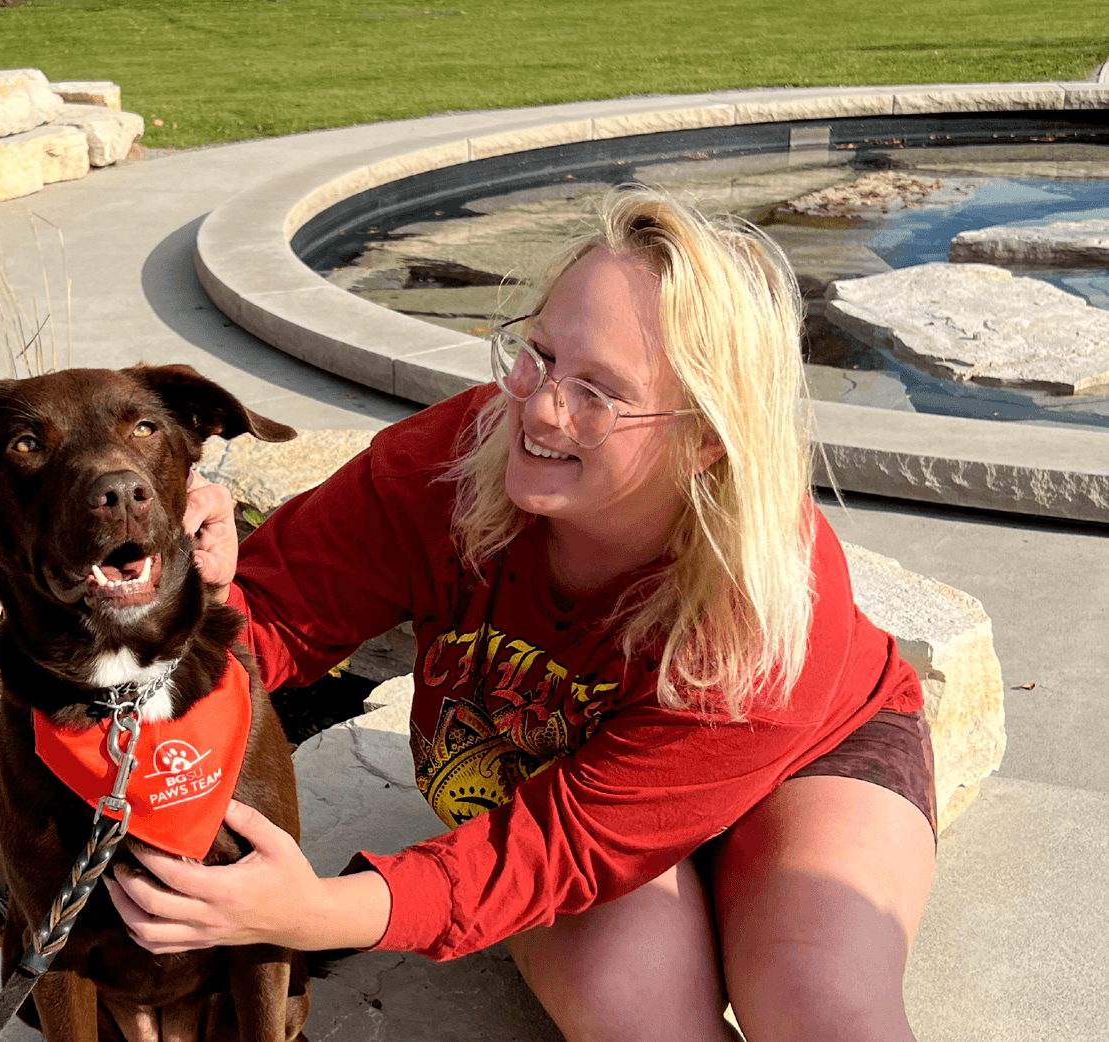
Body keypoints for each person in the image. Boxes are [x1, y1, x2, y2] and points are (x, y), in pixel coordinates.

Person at [105, 186, 938, 1042]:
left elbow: (568, 848)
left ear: (706, 437)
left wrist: (316, 912)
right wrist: (180, 589)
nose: (540, 410)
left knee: (822, 1007)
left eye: (598, 393)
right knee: (634, 1009)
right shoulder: (446, 465)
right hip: (565, 781)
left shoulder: (764, 615)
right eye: (538, 356)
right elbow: (273, 616)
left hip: (808, 761)